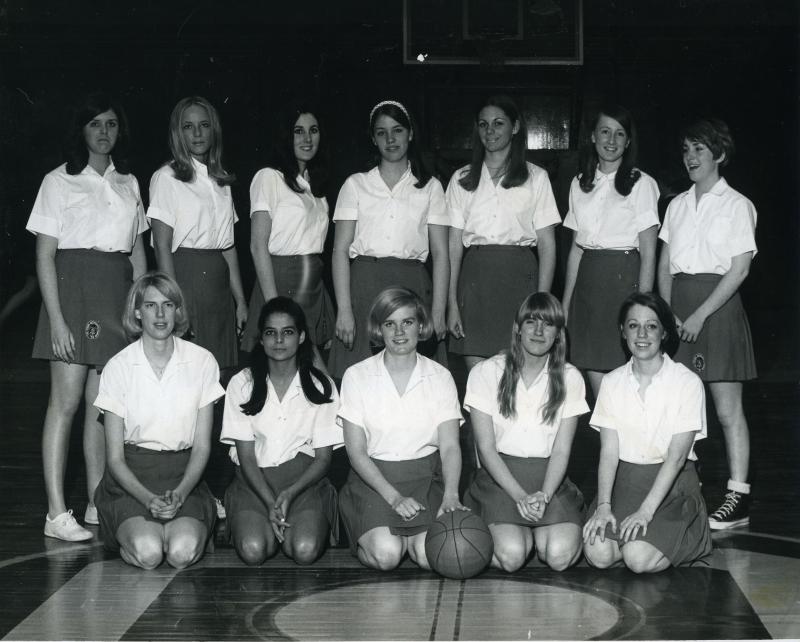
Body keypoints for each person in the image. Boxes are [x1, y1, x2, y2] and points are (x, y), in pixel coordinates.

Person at [27, 91, 148, 541]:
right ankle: (57, 512)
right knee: (66, 402)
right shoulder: (58, 181)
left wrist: (141, 307)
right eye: (95, 123)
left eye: (111, 124)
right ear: (82, 130)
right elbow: (44, 257)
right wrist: (57, 320)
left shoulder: (129, 182)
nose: (103, 132)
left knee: (102, 408)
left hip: (115, 296)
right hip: (73, 295)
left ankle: (99, 503)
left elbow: (137, 253)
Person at [657, 118, 757, 530]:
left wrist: (699, 315)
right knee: (679, 408)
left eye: (699, 148)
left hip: (718, 309)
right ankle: (683, 491)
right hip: (678, 309)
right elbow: (664, 265)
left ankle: (738, 497)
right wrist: (668, 313)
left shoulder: (738, 205)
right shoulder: (677, 204)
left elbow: (738, 271)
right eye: (685, 149)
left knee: (727, 410)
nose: (690, 157)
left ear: (719, 154)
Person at [93, 272, 223, 568]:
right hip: (132, 478)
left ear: (178, 311)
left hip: (184, 475)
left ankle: (188, 527)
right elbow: (114, 458)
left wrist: (180, 493)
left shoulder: (203, 361)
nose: (161, 314)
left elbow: (202, 448)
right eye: (151, 306)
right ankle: (131, 532)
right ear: (137, 312)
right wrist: (148, 498)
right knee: (150, 553)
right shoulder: (119, 366)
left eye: (168, 304)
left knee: (181, 552)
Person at [583, 292, 712, 572]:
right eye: (633, 325)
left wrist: (645, 512)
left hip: (671, 485)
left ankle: (694, 534)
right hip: (626, 482)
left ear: (664, 332)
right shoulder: (611, 382)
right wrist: (604, 505)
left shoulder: (687, 383)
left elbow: (677, 459)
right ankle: (637, 539)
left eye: (651, 326)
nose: (642, 334)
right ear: (622, 331)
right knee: (598, 555)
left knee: (638, 559)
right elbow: (608, 452)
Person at [338, 287, 465, 570]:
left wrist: (451, 494)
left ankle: (412, 540)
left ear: (421, 325)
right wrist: (393, 498)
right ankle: (381, 538)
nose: (399, 332)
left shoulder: (440, 376)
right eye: (389, 323)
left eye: (407, 322)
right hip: (374, 483)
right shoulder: (356, 376)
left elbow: (450, 446)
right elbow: (356, 452)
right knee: (387, 555)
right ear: (378, 329)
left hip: (424, 479)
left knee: (430, 556)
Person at [463, 293, 587, 571]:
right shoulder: (486, 372)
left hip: (549, 479)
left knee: (558, 556)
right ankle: (517, 532)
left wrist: (544, 494)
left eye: (548, 324)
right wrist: (520, 496)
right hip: (500, 478)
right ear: (518, 328)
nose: (539, 331)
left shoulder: (571, 377)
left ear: (558, 334)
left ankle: (537, 530)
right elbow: (485, 449)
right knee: (512, 556)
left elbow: (562, 450)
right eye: (531, 322)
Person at [329, 99, 449, 379]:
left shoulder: (430, 187)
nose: (390, 139)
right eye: (381, 132)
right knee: (360, 380)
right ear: (373, 139)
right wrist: (344, 309)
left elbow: (441, 254)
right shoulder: (355, 184)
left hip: (413, 287)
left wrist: (439, 310)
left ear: (411, 134)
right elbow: (339, 250)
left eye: (397, 130)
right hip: (363, 288)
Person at [221, 297, 341, 565]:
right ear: (261, 339)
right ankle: (257, 521)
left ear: (300, 337)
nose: (278, 340)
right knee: (253, 550)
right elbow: (247, 457)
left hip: (304, 483)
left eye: (287, 332)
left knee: (304, 550)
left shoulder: (322, 386)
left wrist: (288, 494)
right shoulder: (242, 383)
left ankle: (298, 521)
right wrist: (269, 502)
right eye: (270, 333)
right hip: (255, 482)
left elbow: (323, 459)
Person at [446, 95, 560, 371]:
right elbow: (453, 246)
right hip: (474, 282)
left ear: (516, 127)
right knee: (477, 377)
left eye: (499, 123)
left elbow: (547, 244)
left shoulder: (537, 177)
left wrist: (541, 303)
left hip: (520, 279)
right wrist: (451, 301)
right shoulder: (461, 178)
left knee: (518, 373)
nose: (490, 131)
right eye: (484, 124)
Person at [562, 105, 660, 397]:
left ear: (628, 142)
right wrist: (566, 303)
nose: (612, 140)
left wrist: (642, 303)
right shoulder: (579, 183)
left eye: (620, 134)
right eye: (605, 131)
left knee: (627, 370)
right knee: (594, 372)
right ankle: (610, 439)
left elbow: (649, 249)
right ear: (593, 136)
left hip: (623, 281)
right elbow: (576, 251)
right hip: (588, 286)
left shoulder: (642, 183)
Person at [148, 96, 247, 370]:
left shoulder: (221, 180)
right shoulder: (166, 177)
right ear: (178, 133)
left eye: (204, 125)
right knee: (188, 371)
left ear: (213, 129)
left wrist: (240, 301)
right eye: (188, 127)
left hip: (219, 285)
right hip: (185, 280)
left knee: (219, 374)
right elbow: (162, 246)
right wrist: (173, 301)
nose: (197, 133)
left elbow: (228, 247)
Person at [240, 103, 334, 354]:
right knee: (280, 362)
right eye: (298, 131)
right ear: (286, 136)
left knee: (314, 365)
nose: (306, 138)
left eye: (313, 130)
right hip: (279, 281)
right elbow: (257, 246)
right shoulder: (269, 177)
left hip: (313, 282)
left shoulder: (316, 187)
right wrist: (273, 306)